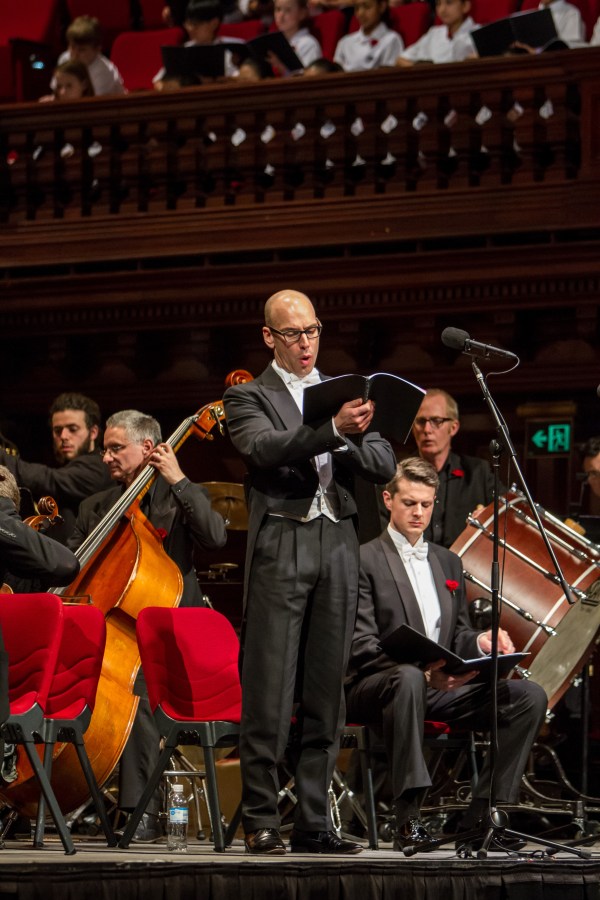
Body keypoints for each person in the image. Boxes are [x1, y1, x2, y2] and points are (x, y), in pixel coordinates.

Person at [223, 289, 396, 855]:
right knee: (270, 688)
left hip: (338, 541)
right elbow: (262, 448)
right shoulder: (248, 395)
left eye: (313, 330)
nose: (305, 342)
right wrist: (332, 430)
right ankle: (261, 819)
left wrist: (347, 434)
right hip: (283, 539)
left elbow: (383, 463)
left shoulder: (347, 393)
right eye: (293, 333)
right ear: (269, 337)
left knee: (327, 690)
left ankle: (314, 821)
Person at [345, 457, 548, 851]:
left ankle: (483, 817)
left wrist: (480, 642)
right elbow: (360, 645)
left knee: (528, 696)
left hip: (436, 687)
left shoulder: (447, 560)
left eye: (426, 504)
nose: (418, 512)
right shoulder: (363, 558)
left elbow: (456, 634)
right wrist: (423, 675)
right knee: (407, 678)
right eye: (409, 503)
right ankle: (407, 818)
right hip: (377, 686)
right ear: (388, 500)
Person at [69, 409, 227, 842]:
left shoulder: (180, 497)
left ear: (148, 448)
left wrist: (179, 479)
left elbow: (215, 537)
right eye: (105, 450)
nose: (106, 457)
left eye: (115, 448)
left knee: (133, 693)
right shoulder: (95, 508)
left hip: (174, 638)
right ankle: (59, 798)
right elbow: (72, 569)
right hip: (117, 635)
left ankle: (142, 812)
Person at [0, 393, 112, 544]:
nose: (64, 436)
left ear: (93, 433)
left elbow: (49, 479)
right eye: (58, 430)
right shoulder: (69, 467)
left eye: (73, 429)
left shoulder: (99, 467)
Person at [412, 388, 496, 548]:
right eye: (421, 421)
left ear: (453, 427)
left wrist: (489, 515)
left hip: (464, 561)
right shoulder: (398, 474)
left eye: (436, 421)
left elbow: (509, 512)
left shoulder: (478, 472)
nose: (427, 430)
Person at [53, 16, 125, 97]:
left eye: (82, 50)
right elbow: (57, 92)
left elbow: (92, 102)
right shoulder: (64, 58)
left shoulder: (105, 72)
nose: (75, 54)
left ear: (97, 50)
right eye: (72, 47)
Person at [396, 0, 477, 66]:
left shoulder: (478, 33)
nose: (442, 10)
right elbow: (401, 59)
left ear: (465, 6)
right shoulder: (434, 33)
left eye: (449, 2)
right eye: (438, 4)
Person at [334, 0, 404, 72]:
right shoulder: (344, 42)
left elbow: (389, 75)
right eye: (357, 8)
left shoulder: (391, 39)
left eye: (367, 7)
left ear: (382, 6)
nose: (360, 13)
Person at [272, 0, 322, 69]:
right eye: (278, 9)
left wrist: (281, 67)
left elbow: (308, 75)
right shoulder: (275, 42)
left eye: (288, 10)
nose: (281, 16)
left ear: (302, 13)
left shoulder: (308, 44)